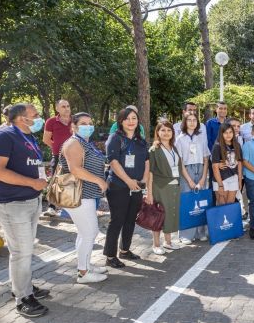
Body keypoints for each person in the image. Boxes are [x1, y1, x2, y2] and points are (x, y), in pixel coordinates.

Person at [0, 103, 50, 317]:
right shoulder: (3, 135)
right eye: (36, 114)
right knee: (21, 252)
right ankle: (23, 298)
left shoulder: (29, 136)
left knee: (26, 250)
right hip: (11, 203)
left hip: (31, 200)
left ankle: (26, 287)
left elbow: (33, 164)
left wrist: (40, 180)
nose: (40, 118)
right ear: (22, 118)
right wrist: (32, 183)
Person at [59, 112, 109, 283]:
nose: (88, 126)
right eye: (83, 123)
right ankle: (83, 273)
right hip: (79, 195)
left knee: (84, 233)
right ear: (73, 126)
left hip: (87, 194)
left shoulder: (84, 142)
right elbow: (75, 169)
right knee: (90, 233)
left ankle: (85, 265)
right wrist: (99, 180)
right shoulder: (73, 143)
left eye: (90, 122)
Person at [104, 108, 149, 268]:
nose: (131, 121)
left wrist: (144, 179)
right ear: (121, 121)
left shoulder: (141, 140)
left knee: (130, 219)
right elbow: (114, 162)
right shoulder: (115, 138)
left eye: (134, 118)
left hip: (136, 186)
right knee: (117, 220)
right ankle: (110, 256)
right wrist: (128, 181)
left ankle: (125, 250)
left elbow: (146, 161)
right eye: (127, 118)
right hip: (118, 186)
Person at [147, 121, 194, 254]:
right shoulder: (154, 150)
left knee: (170, 214)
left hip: (174, 187)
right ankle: (156, 244)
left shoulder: (174, 148)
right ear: (157, 132)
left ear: (172, 133)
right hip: (160, 187)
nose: (166, 133)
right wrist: (149, 193)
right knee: (158, 215)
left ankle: (168, 242)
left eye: (169, 130)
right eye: (163, 130)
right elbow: (149, 173)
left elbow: (180, 167)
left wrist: (189, 180)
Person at [175, 113, 211, 244]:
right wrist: (189, 180)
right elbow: (179, 162)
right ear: (184, 122)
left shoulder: (201, 137)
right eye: (189, 120)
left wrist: (203, 178)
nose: (191, 122)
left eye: (194, 120)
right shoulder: (180, 139)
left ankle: (201, 232)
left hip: (200, 169)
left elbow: (206, 159)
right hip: (186, 171)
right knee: (187, 201)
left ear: (197, 122)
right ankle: (186, 234)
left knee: (201, 201)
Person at [42, 99, 73, 217]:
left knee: (73, 180)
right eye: (63, 106)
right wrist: (57, 147)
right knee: (55, 181)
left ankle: (71, 207)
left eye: (68, 106)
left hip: (74, 156)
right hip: (58, 155)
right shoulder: (51, 121)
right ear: (57, 109)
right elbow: (46, 139)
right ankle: (52, 207)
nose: (67, 108)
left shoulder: (75, 121)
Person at [211, 123, 242, 205]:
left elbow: (239, 163)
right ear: (221, 134)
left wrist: (239, 180)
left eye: (230, 132)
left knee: (230, 205)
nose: (228, 135)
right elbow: (215, 167)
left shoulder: (237, 145)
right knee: (222, 205)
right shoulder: (217, 146)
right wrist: (220, 185)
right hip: (221, 180)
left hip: (233, 178)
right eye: (225, 133)